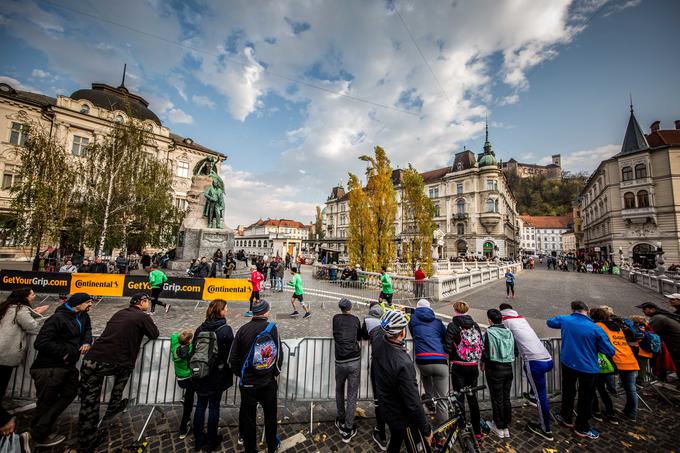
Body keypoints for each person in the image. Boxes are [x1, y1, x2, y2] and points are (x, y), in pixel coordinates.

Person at [78, 293, 159, 453]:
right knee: (125, 371)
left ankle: (85, 442)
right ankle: (114, 404)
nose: (148, 304)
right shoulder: (142, 316)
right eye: (147, 302)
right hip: (116, 360)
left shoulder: (120, 312)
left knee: (89, 403)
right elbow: (154, 334)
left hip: (92, 359)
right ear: (142, 302)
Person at [25, 293, 93, 449]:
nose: (91, 305)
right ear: (77, 303)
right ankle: (36, 436)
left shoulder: (83, 315)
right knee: (45, 401)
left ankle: (39, 429)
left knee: (71, 392)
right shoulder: (57, 319)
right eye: (88, 302)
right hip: (49, 367)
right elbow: (41, 342)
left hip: (69, 366)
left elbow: (87, 329)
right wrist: (66, 353)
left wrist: (87, 341)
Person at [547, 300, 615, 440]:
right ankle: (582, 427)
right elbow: (609, 351)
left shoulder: (565, 320)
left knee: (568, 392)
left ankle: (566, 417)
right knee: (586, 398)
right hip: (588, 367)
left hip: (568, 363)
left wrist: (567, 319)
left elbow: (550, 322)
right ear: (588, 311)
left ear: (572, 310)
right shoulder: (595, 328)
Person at [372, 309, 433, 452]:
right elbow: (413, 403)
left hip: (386, 407)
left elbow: (379, 331)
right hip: (403, 417)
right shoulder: (403, 363)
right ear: (402, 333)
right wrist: (426, 430)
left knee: (395, 440)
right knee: (416, 447)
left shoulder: (378, 341)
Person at [228, 300, 284, 453]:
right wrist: (275, 372)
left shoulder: (242, 330)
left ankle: (250, 449)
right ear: (266, 312)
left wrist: (241, 374)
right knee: (271, 416)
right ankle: (272, 445)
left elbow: (232, 358)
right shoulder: (273, 329)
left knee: (249, 419)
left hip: (248, 384)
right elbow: (279, 354)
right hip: (267, 381)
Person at [499, 303, 554, 440]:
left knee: (542, 397)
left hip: (534, 362)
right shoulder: (522, 318)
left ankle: (545, 429)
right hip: (547, 358)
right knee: (538, 389)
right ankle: (532, 395)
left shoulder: (505, 321)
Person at [0, 288, 48, 439]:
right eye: (32, 294)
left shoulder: (6, 306)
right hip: (6, 354)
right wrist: (39, 314)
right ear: (25, 297)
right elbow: (31, 326)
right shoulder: (21, 310)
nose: (34, 295)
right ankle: (4, 419)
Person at [192, 299, 234, 452]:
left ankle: (198, 440)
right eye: (226, 308)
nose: (227, 310)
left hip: (201, 374)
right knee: (214, 407)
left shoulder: (200, 328)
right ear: (220, 311)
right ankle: (210, 441)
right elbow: (231, 354)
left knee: (200, 406)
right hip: (216, 376)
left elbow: (193, 351)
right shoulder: (225, 329)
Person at [590, 307, 639, 422]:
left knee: (602, 387)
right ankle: (631, 413)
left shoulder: (599, 326)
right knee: (631, 389)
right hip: (629, 359)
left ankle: (604, 411)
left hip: (613, 361)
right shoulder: (618, 327)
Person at [444, 301, 483, 443]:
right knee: (473, 400)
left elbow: (447, 347)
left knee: (459, 398)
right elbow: (481, 344)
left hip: (459, 366)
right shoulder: (475, 325)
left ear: (455, 311)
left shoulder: (453, 326)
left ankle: (462, 428)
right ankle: (477, 432)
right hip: (473, 366)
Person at [408, 299, 448, 425]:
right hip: (439, 359)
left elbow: (413, 333)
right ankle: (442, 428)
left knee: (425, 375)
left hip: (422, 360)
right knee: (442, 399)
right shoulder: (438, 322)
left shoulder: (413, 320)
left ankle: (429, 400)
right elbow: (444, 336)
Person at [332, 298, 365, 442]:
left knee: (339, 389)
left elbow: (335, 333)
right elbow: (359, 337)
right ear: (351, 307)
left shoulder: (335, 318)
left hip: (340, 360)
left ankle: (340, 418)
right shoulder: (355, 319)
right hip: (354, 359)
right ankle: (348, 427)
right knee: (352, 394)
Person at [482, 309, 515, 439]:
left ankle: (499, 425)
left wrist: (484, 362)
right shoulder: (508, 332)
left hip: (495, 368)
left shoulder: (489, 332)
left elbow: (485, 353)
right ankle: (506, 424)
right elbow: (515, 350)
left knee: (497, 398)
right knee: (506, 397)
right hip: (508, 367)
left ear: (490, 320)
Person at [361, 302, 388, 450]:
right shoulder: (387, 324)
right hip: (394, 363)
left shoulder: (368, 322)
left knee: (379, 401)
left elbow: (363, 336)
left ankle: (382, 436)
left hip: (378, 365)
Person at [636, 302, 680, 387]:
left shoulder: (658, 318)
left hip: (675, 345)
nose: (643, 311)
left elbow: (646, 332)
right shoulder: (662, 316)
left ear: (652, 309)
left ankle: (662, 381)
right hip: (674, 344)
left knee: (677, 365)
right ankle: (663, 379)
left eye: (645, 309)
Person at [170, 330, 194, 439]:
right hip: (189, 378)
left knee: (188, 398)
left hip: (180, 378)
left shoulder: (175, 347)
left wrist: (182, 335)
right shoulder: (190, 348)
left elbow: (173, 335)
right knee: (189, 402)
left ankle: (185, 399)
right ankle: (183, 427)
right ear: (189, 341)